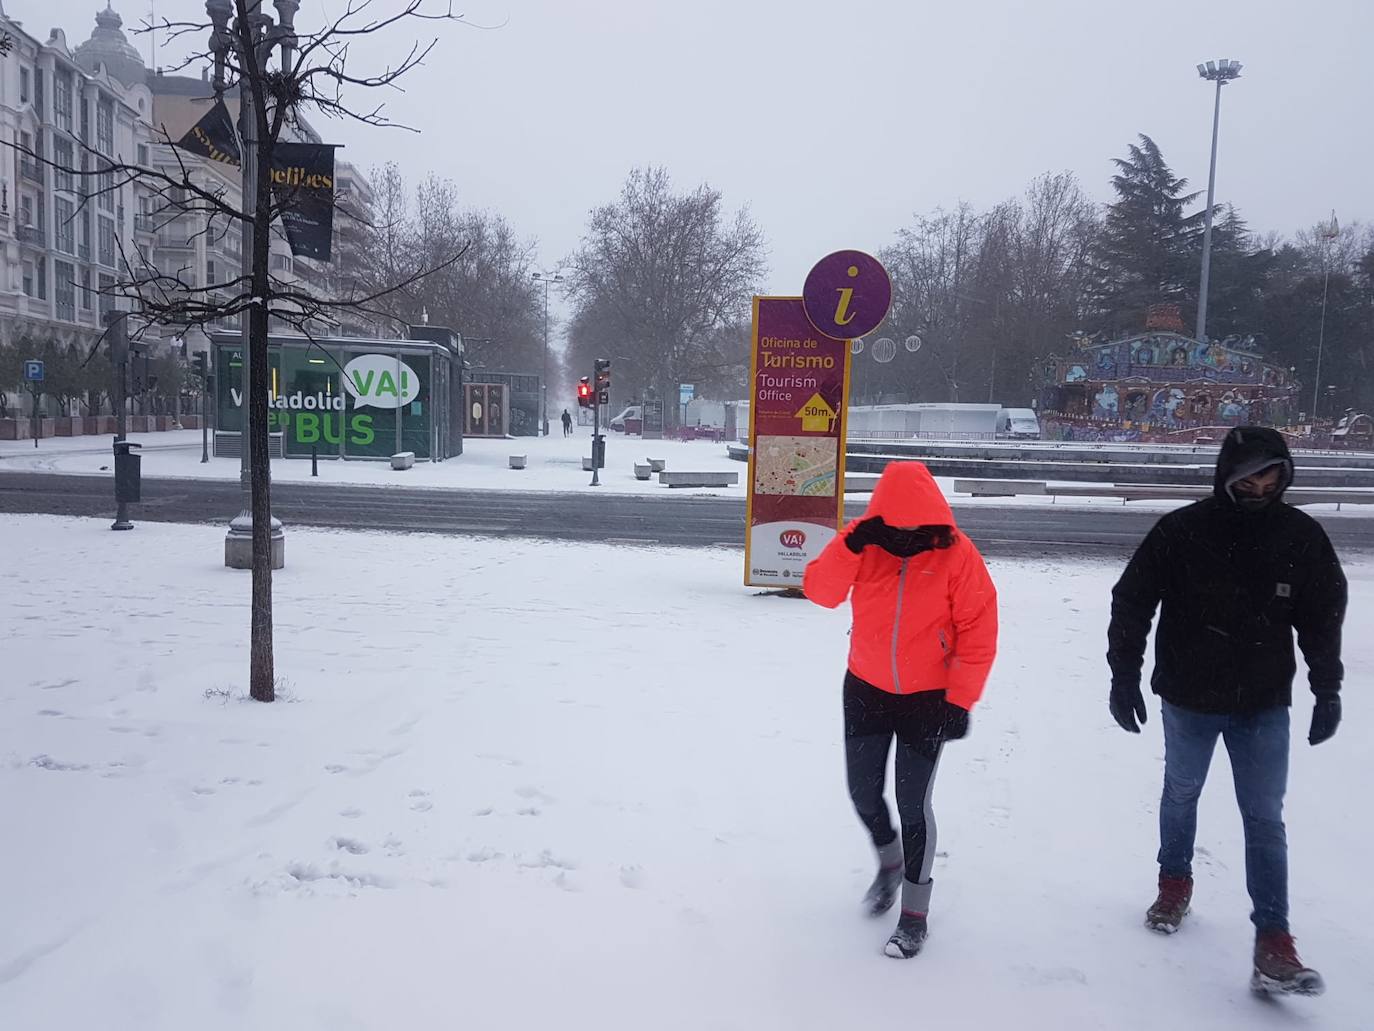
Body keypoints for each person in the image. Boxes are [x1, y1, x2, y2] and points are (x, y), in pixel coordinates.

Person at [1107, 426, 1347, 997]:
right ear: (1228, 475)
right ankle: (1174, 881)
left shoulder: (1300, 537)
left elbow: (1322, 617)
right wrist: (1124, 675)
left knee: (1265, 817)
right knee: (1182, 792)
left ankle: (1274, 940)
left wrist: (1327, 687)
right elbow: (1132, 599)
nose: (1261, 485)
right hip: (1190, 697)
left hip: (1263, 702)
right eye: (1250, 475)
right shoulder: (1184, 531)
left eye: (1272, 475)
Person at [803, 462, 998, 959]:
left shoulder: (957, 555)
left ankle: (914, 913)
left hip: (927, 699)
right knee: (863, 794)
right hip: (866, 687)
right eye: (897, 525)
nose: (906, 534)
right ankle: (889, 864)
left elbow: (978, 631)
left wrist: (959, 700)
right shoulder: (862, 542)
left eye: (916, 525)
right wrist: (850, 547)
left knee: (913, 805)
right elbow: (820, 593)